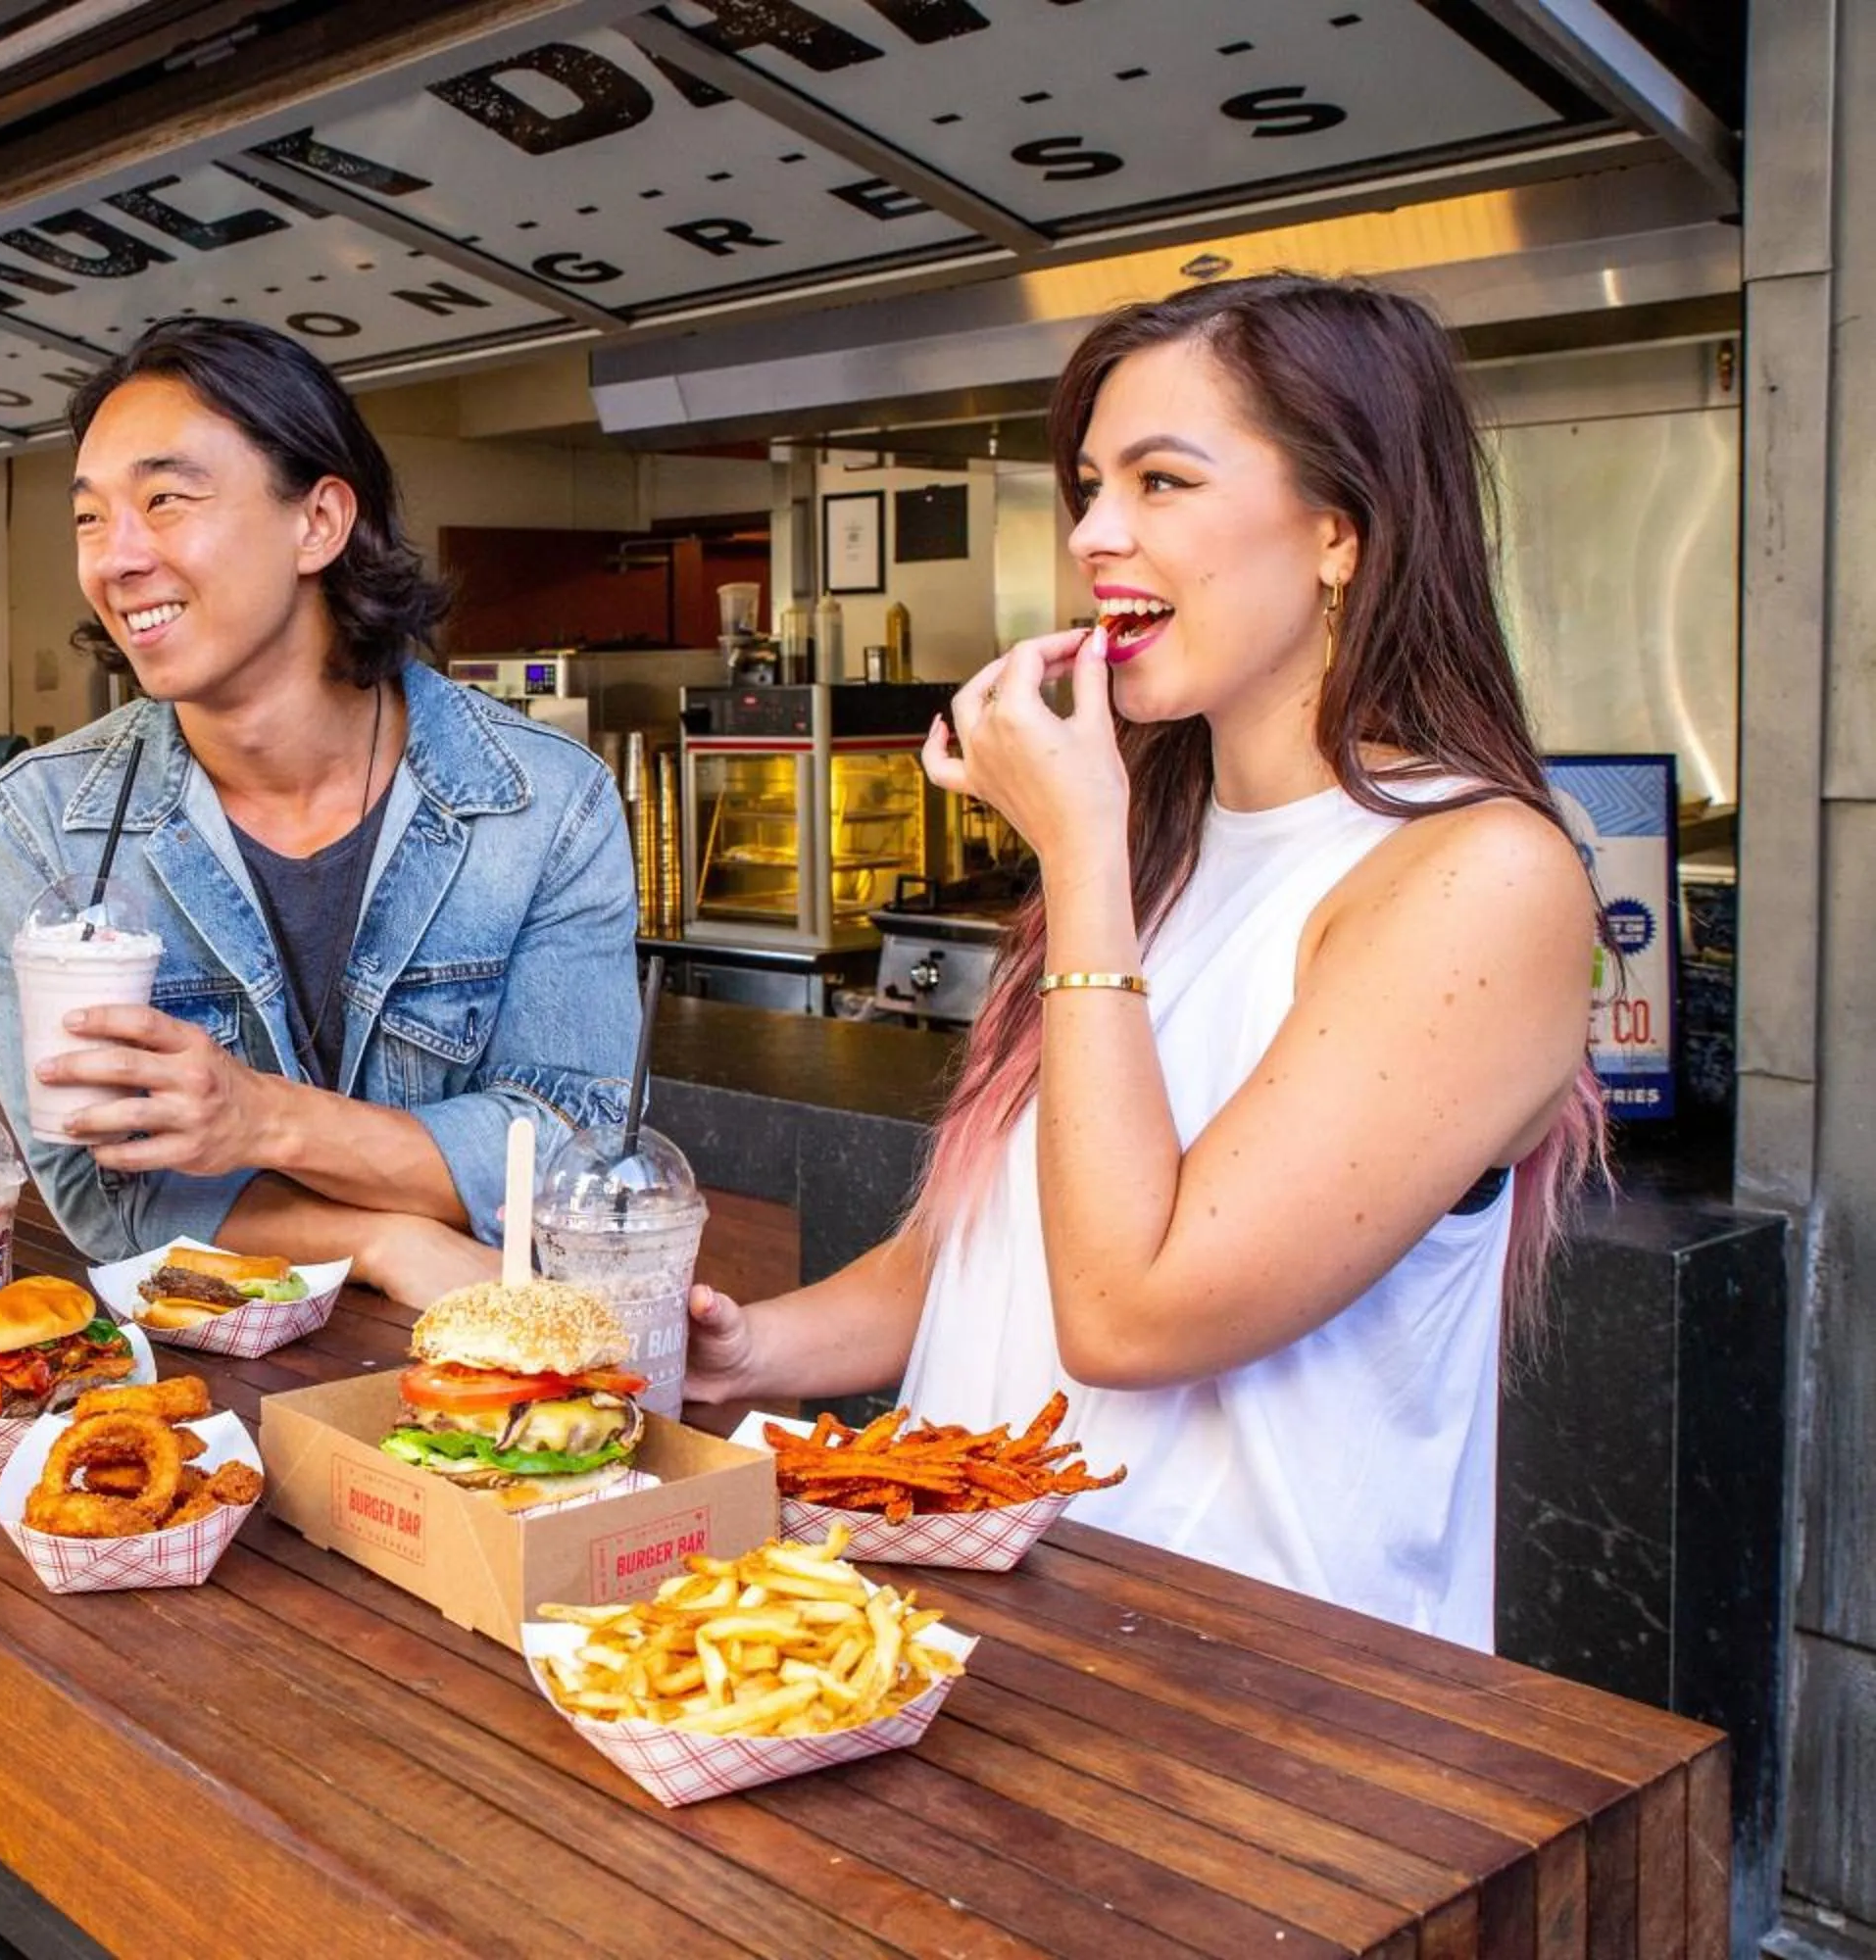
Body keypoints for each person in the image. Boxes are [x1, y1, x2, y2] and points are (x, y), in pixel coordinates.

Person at [685, 274, 1603, 1648]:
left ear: (1340, 529)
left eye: (1163, 482)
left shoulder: (1479, 876)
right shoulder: (1158, 844)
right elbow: (977, 1253)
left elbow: (1129, 1315)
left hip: (1249, 1719)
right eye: (1090, 484)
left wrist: (1076, 850)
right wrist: (750, 1351)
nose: (1095, 533)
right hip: (956, 1660)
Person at [0, 318, 641, 1307]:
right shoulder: (44, 820)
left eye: (164, 500)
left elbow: (574, 1151)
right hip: (214, 1401)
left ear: (318, 522)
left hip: (501, 1391)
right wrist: (384, 1241)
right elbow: (93, 1188)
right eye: (90, 518)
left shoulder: (542, 805)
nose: (117, 557)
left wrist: (264, 1121)